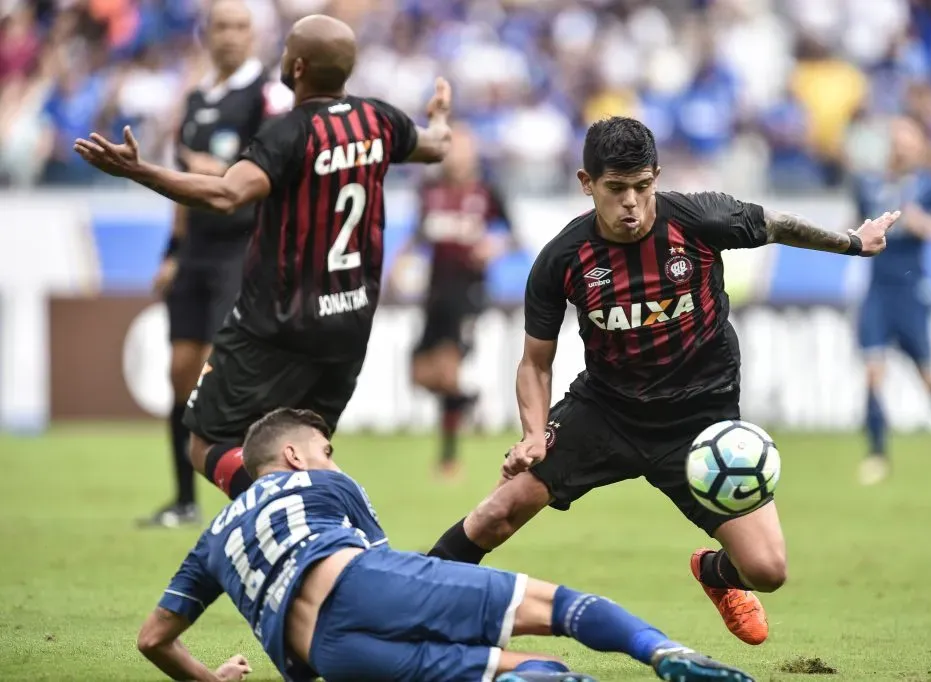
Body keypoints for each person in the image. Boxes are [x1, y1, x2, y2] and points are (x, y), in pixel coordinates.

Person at [426, 116, 899, 647]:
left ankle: (714, 573)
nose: (631, 201)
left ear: (656, 176)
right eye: (615, 188)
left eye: (642, 186)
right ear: (587, 184)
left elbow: (780, 225)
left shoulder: (697, 219)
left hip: (700, 425)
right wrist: (534, 434)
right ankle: (408, 603)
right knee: (497, 513)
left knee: (767, 570)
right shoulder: (563, 258)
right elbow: (535, 362)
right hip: (606, 412)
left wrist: (853, 244)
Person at [73, 15, 452, 501]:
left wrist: (139, 170)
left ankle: (302, 510)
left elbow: (227, 194)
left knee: (206, 443)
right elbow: (436, 145)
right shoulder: (378, 119)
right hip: (348, 324)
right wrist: (439, 115)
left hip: (275, 326)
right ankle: (327, 538)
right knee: (304, 449)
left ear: (295, 66)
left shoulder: (288, 134)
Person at [136, 407, 755, 682]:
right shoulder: (323, 485)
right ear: (294, 456)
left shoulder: (213, 538)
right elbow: (388, 570)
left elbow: (153, 639)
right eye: (325, 450)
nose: (330, 460)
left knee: (533, 672)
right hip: (361, 587)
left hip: (331, 660)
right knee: (562, 609)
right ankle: (666, 653)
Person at [142, 0, 282, 528]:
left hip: (242, 249)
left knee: (221, 374)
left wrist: (221, 171)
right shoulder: (198, 98)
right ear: (207, 33)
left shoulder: (265, 96)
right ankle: (183, 501)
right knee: (179, 373)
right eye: (222, 26)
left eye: (241, 27)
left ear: (253, 35)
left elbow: (271, 172)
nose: (231, 36)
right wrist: (172, 253)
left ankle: (252, 495)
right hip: (196, 251)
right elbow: (182, 188)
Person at [854, 116, 931, 486]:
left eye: (907, 139)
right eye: (896, 138)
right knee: (873, 371)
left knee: (927, 378)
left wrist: (929, 225)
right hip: (877, 288)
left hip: (910, 291)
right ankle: (877, 455)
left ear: (919, 146)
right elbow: (855, 225)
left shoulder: (929, 186)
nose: (900, 145)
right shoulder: (868, 184)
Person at [401, 124, 514, 478]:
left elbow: (512, 234)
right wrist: (402, 259)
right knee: (420, 376)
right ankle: (467, 401)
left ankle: (449, 458)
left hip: (468, 293)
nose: (457, 157)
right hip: (434, 294)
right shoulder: (429, 190)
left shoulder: (487, 191)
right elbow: (421, 233)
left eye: (463, 149)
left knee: (448, 370)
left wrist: (494, 247)